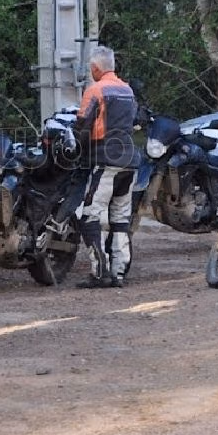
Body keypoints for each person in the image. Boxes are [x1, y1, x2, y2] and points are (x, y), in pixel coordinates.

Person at [72, 45, 140, 289]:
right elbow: (134, 120)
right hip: (130, 161)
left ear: (94, 68)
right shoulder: (128, 90)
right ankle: (119, 272)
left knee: (89, 214)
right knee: (121, 218)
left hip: (105, 160)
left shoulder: (95, 90)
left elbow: (82, 126)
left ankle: (100, 272)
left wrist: (75, 150)